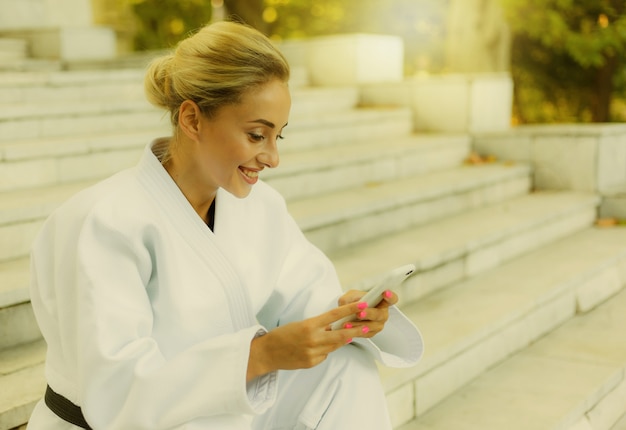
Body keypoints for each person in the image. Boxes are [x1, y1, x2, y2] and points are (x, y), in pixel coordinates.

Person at [27, 20, 423, 430]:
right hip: (126, 422)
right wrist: (260, 355)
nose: (272, 158)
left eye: (278, 137)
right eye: (256, 135)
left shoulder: (260, 208)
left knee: (345, 369)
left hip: (219, 411)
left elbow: (307, 299)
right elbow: (117, 394)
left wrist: (348, 317)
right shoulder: (103, 221)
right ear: (193, 120)